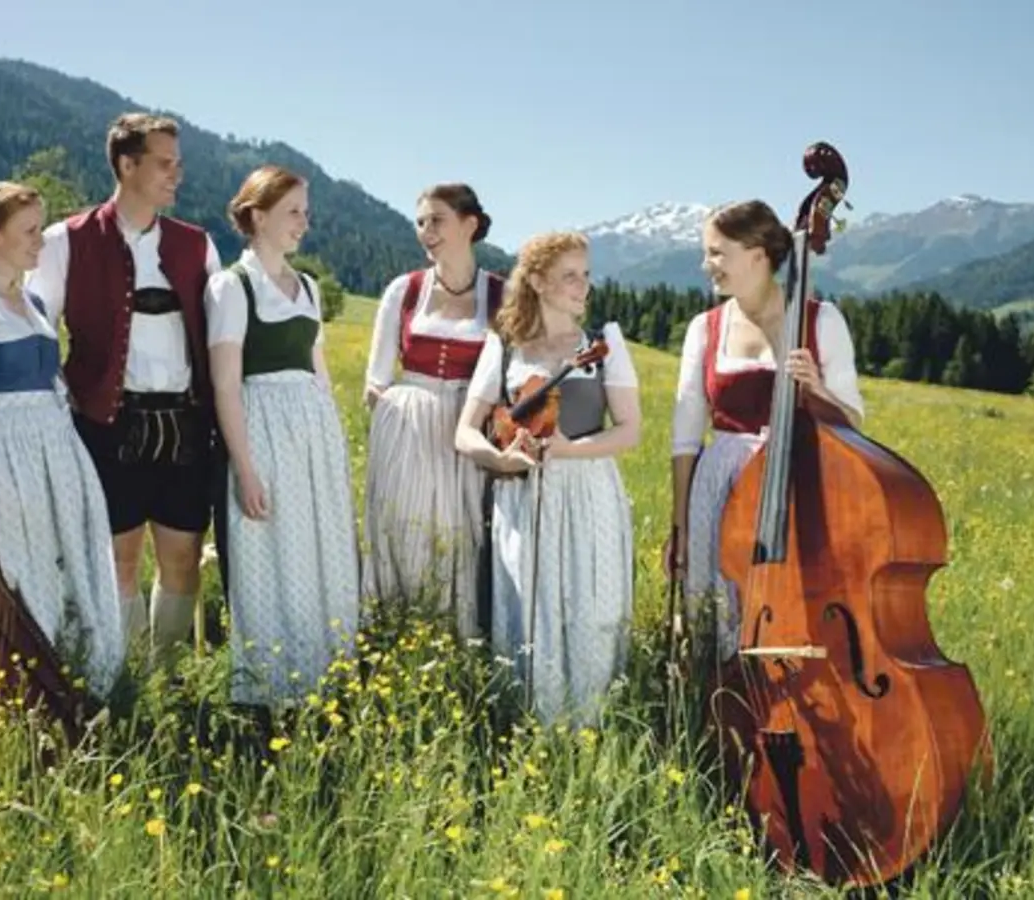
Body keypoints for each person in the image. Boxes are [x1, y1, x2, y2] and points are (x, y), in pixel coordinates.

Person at [27, 113, 224, 674]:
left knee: (184, 556)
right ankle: (129, 671)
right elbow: (38, 335)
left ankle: (167, 672)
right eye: (165, 163)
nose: (176, 175)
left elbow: (218, 340)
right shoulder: (65, 241)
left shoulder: (197, 246)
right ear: (126, 164)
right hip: (105, 422)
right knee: (120, 557)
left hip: (184, 424)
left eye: (178, 164)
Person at [0, 181, 124, 702]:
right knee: (17, 575)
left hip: (55, 451)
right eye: (29, 230)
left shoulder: (36, 301)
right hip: (3, 452)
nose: (40, 241)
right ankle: (20, 691)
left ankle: (72, 683)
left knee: (72, 563)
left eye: (41, 228)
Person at [454, 231, 642, 728]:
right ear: (536, 281)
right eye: (569, 276)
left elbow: (630, 431)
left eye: (586, 274)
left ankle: (591, 726)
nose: (583, 286)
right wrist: (502, 461)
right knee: (530, 607)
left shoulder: (603, 340)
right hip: (525, 497)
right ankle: (531, 728)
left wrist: (567, 450)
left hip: (589, 491)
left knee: (590, 606)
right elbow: (465, 434)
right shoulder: (505, 346)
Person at [667, 199, 865, 665]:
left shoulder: (823, 321)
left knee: (792, 605)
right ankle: (717, 709)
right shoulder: (704, 328)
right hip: (719, 487)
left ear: (757, 255)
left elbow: (853, 422)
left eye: (717, 253)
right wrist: (680, 523)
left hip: (796, 485)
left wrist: (816, 390)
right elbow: (685, 438)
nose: (707, 264)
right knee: (716, 612)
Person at [205, 165, 361, 710]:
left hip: (312, 434)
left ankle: (326, 676)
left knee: (323, 548)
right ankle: (273, 691)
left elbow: (318, 372)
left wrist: (334, 448)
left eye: (306, 212)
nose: (304, 223)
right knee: (271, 553)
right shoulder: (231, 286)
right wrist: (244, 467)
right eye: (293, 211)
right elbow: (226, 383)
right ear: (257, 216)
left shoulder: (309, 287)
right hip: (263, 430)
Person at [361, 183, 503, 639]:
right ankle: (395, 631)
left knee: (464, 533)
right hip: (408, 426)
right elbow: (377, 377)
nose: (426, 231)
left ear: (470, 224)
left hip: (469, 426)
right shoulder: (404, 290)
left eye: (437, 220)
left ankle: (456, 640)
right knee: (405, 530)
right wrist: (393, 426)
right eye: (420, 222)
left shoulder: (501, 295)